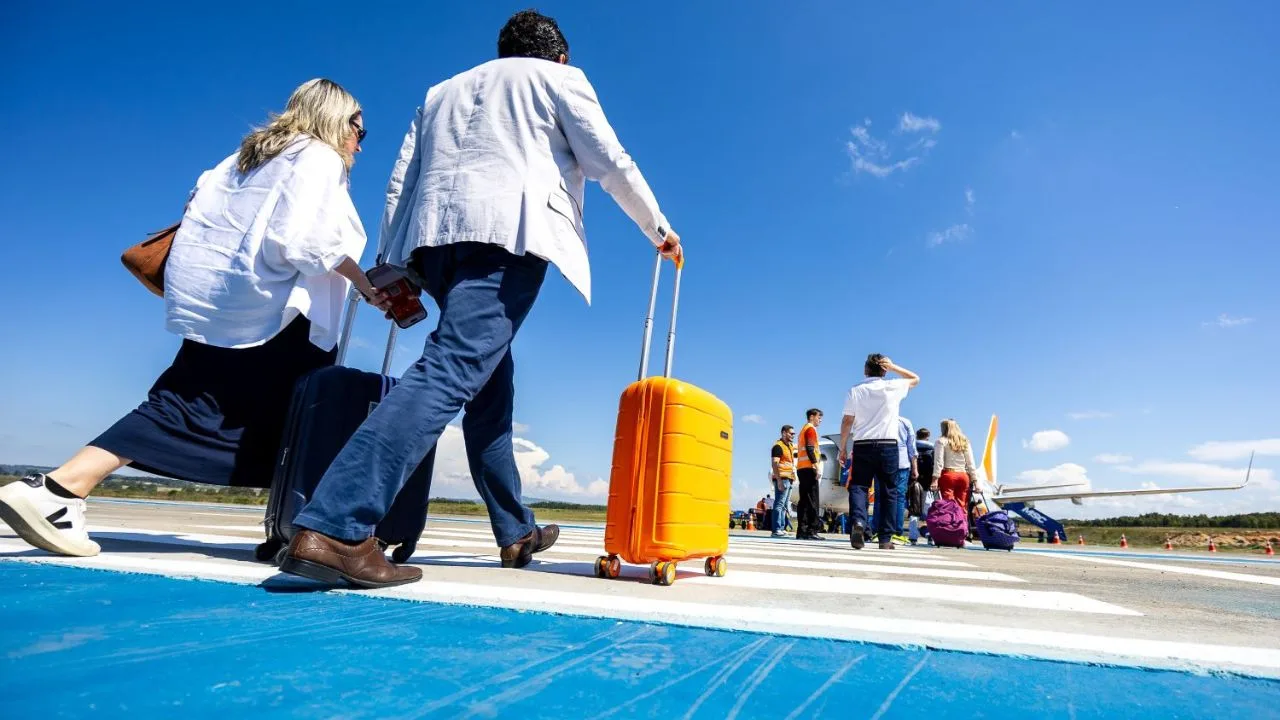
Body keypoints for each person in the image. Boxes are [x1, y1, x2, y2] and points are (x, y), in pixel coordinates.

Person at [279, 10, 683, 589]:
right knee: (450, 371)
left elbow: (403, 179)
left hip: (435, 241)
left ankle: (514, 529)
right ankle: (336, 527)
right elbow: (607, 159)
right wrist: (658, 228)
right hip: (507, 237)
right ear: (559, 56)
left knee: (490, 385)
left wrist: (395, 262)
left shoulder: (440, 91)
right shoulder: (559, 80)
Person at [0, 79, 381, 558]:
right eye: (358, 129)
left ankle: (57, 490)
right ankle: (57, 490)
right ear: (333, 118)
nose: (359, 142)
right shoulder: (318, 157)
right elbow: (308, 240)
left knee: (196, 404)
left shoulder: (239, 161)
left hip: (220, 308)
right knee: (286, 420)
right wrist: (366, 284)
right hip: (279, 315)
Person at [837, 354, 920, 550]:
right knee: (889, 491)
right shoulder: (893, 386)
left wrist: (842, 447)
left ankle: (858, 522)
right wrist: (893, 367)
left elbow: (847, 421)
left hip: (862, 444)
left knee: (859, 486)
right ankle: (885, 538)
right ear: (884, 370)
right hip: (888, 445)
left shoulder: (855, 390)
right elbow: (915, 379)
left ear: (865, 370)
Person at [932, 418, 977, 513]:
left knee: (948, 505)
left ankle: (951, 527)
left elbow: (938, 462)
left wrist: (935, 479)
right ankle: (962, 526)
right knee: (962, 505)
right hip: (963, 476)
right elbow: (970, 462)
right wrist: (975, 481)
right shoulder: (965, 441)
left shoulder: (941, 441)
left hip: (948, 475)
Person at [794, 409, 825, 541]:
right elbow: (810, 448)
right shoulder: (811, 429)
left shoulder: (803, 430)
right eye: (819, 417)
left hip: (801, 468)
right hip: (809, 468)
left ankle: (802, 531)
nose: (820, 420)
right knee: (813, 500)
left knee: (804, 501)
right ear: (812, 417)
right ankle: (812, 531)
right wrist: (816, 466)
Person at [770, 425, 797, 538]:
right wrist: (779, 480)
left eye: (793, 434)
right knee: (779, 504)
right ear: (784, 433)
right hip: (782, 479)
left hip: (789, 479)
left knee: (784, 505)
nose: (793, 436)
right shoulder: (778, 446)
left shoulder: (789, 446)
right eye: (791, 433)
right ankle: (776, 529)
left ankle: (781, 528)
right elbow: (775, 464)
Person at [908, 427, 935, 543]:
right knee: (928, 510)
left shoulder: (912, 447)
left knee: (914, 509)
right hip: (927, 484)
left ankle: (913, 536)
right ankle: (930, 534)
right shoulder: (933, 448)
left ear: (916, 436)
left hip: (913, 481)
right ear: (928, 436)